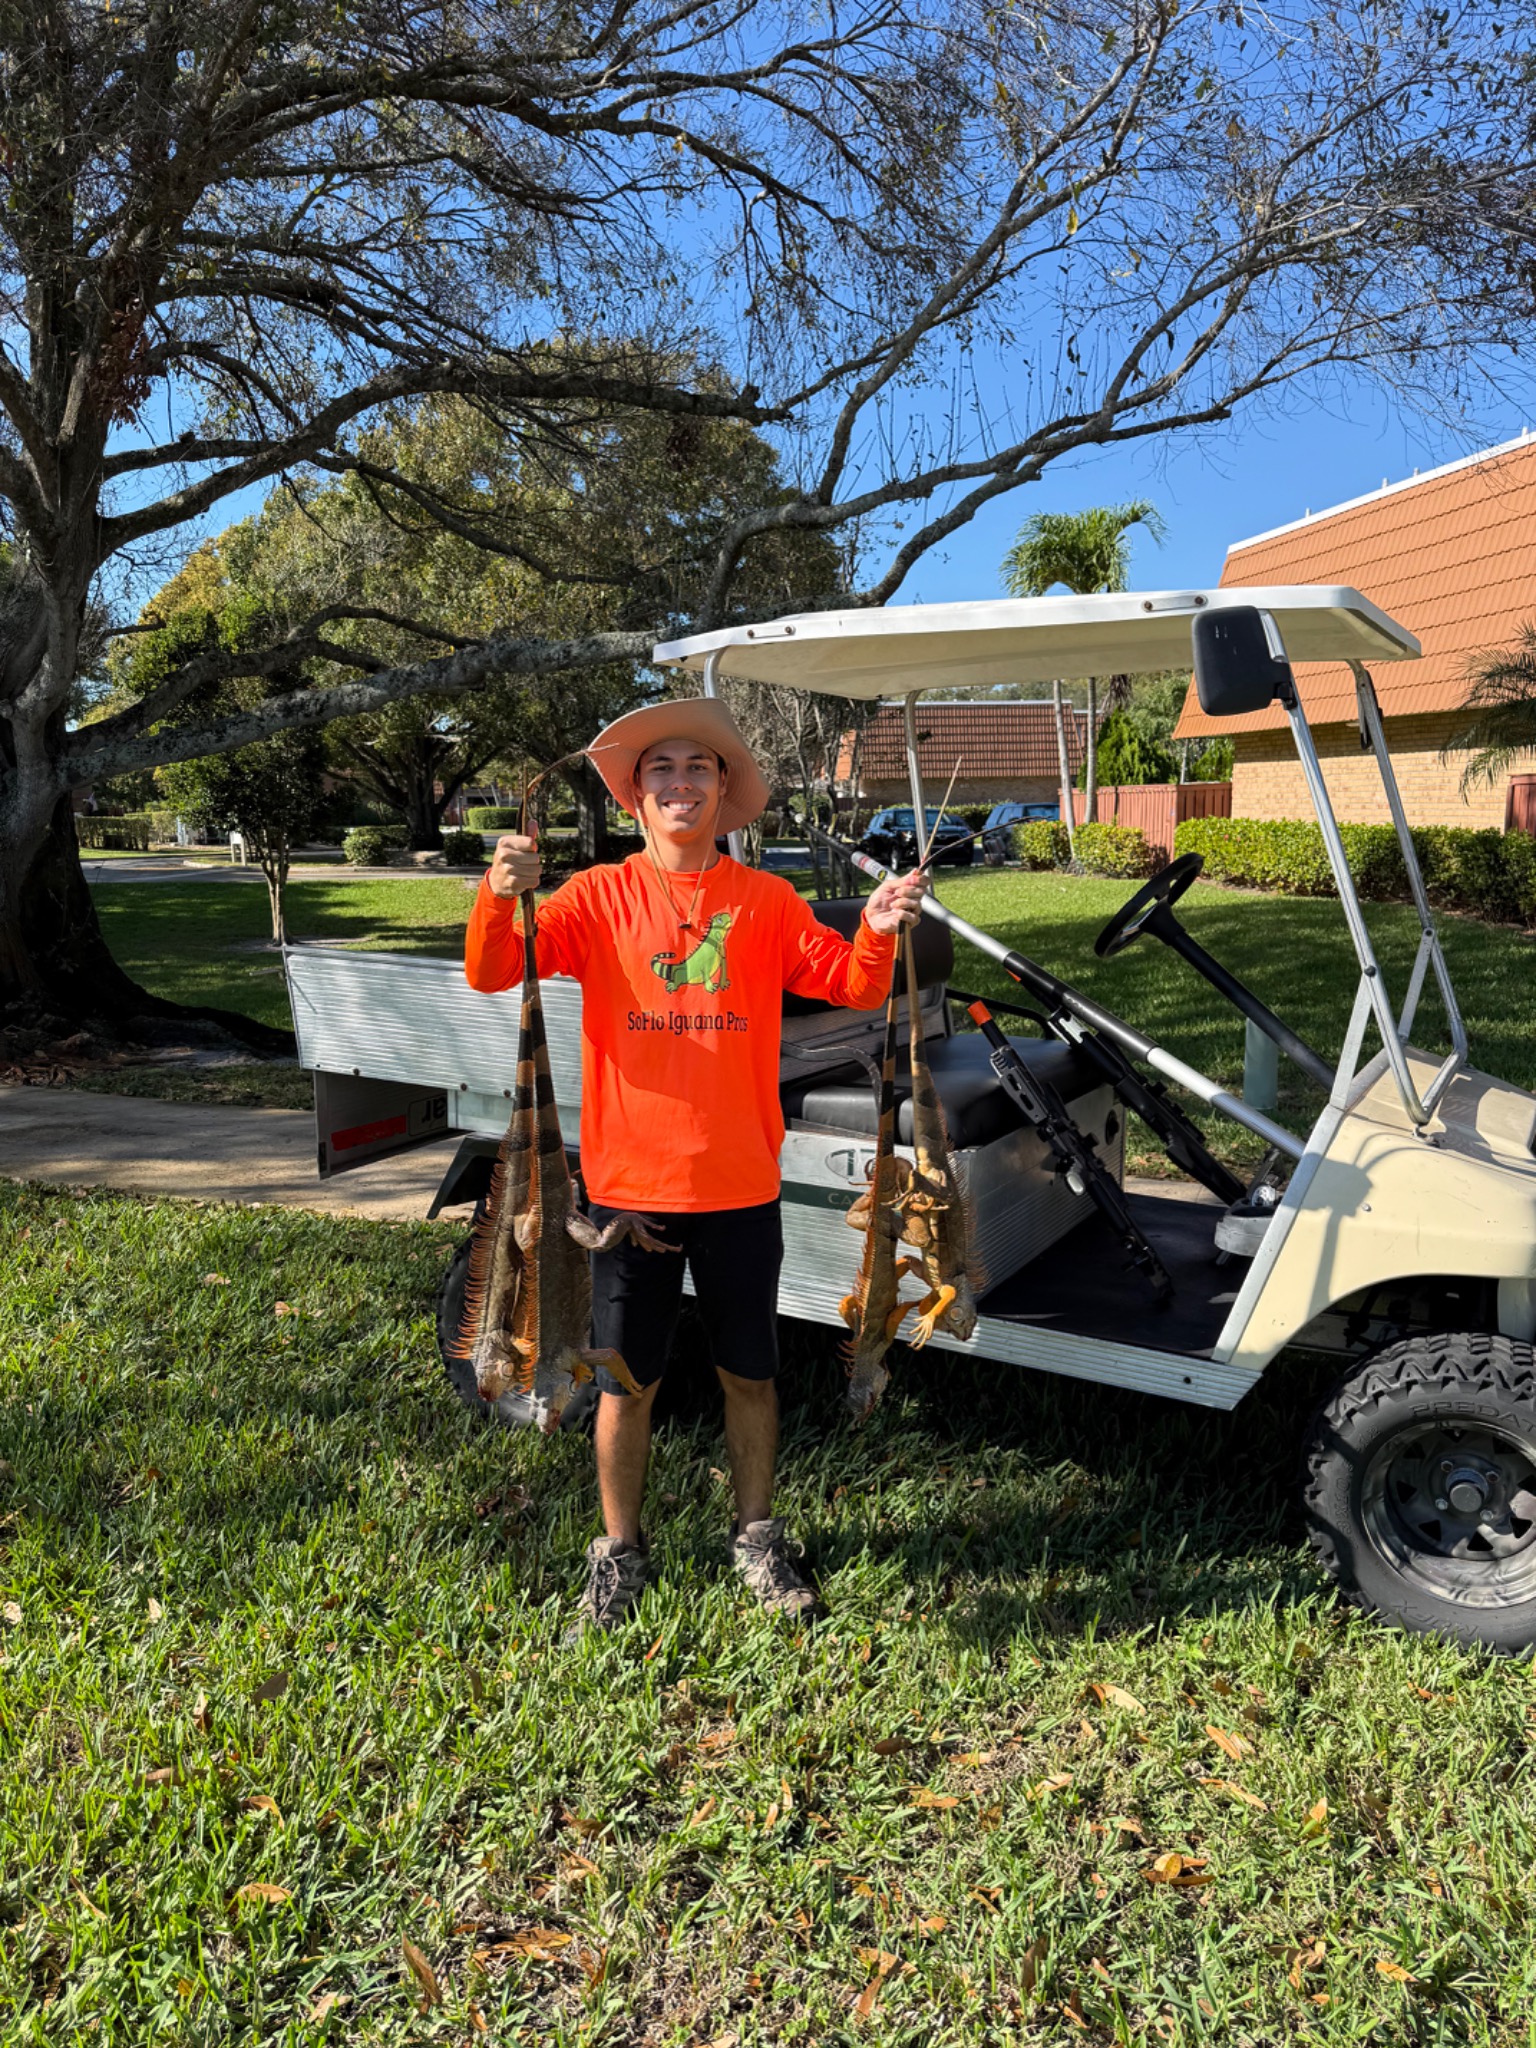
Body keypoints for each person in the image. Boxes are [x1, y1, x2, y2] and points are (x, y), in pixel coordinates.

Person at [464, 696, 925, 1635]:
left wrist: (876, 922)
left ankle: (756, 1536)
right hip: (630, 1193)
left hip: (740, 1186)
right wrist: (498, 889)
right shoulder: (595, 897)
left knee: (751, 1373)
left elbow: (851, 982)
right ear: (637, 795)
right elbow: (494, 969)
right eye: (663, 768)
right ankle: (619, 1551)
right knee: (627, 1383)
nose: (681, 782)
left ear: (723, 791)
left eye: (699, 768)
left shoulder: (764, 902)